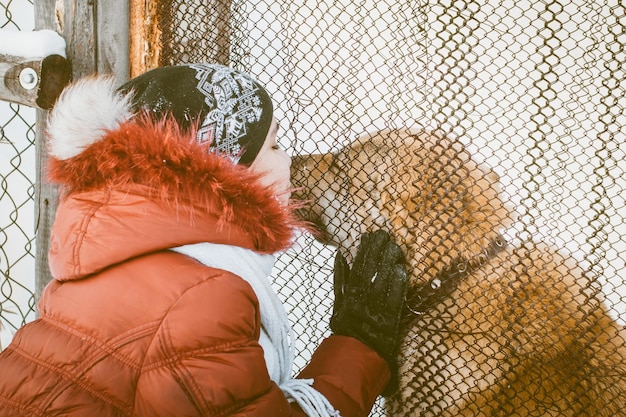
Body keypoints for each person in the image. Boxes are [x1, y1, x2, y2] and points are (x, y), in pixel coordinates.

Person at [0, 64, 408, 417]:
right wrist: (360, 342)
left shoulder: (104, 271)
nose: (289, 162)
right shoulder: (202, 298)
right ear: (226, 172)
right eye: (275, 146)